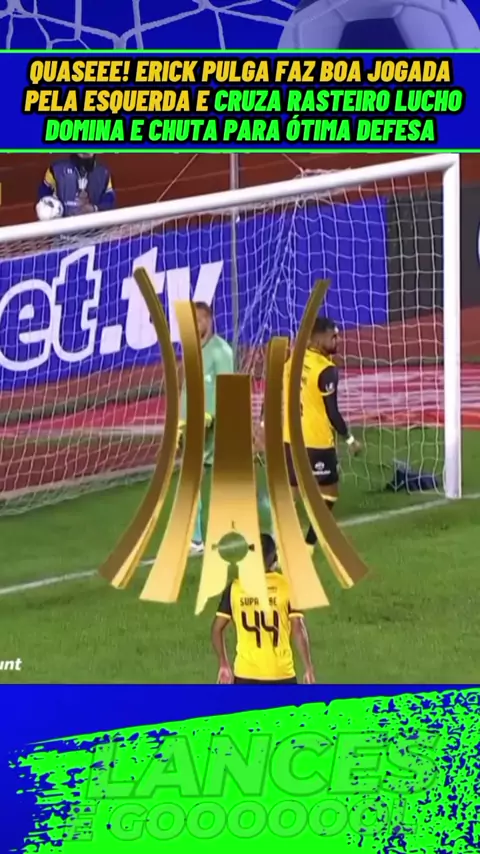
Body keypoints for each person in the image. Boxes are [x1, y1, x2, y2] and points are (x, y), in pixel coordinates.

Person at [178, 302, 273, 556]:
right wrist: (181, 423)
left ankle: (264, 521)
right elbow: (188, 391)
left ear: (209, 320)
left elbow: (229, 390)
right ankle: (196, 538)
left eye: (199, 320)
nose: (194, 325)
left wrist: (218, 418)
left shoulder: (221, 352)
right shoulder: (194, 352)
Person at [282, 317, 362, 548]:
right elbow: (332, 413)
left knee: (292, 494)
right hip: (316, 443)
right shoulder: (326, 371)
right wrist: (350, 440)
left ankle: (281, 544)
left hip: (290, 439)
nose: (338, 340)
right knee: (329, 495)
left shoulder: (291, 362)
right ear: (318, 339)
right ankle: (308, 546)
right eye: (333, 336)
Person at [212, 533, 315, 685]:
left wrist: (223, 663)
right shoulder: (288, 586)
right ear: (275, 559)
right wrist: (308, 667)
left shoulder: (235, 588)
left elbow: (217, 629)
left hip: (245, 675)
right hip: (281, 674)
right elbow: (298, 628)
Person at [37, 154, 115, 217]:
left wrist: (94, 208)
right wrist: (54, 210)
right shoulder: (55, 170)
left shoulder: (104, 173)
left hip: (94, 229)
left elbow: (110, 200)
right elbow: (43, 197)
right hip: (63, 229)